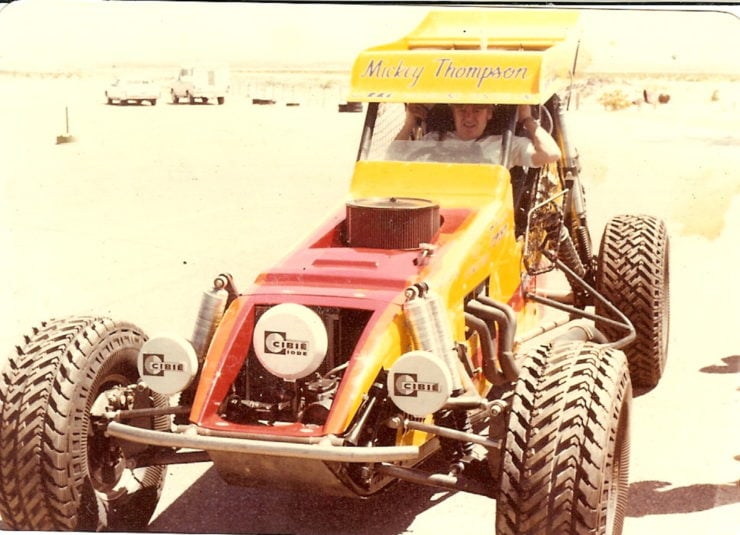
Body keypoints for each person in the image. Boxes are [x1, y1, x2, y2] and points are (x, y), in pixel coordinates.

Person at [394, 103, 561, 168]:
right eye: (461, 110)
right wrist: (409, 122)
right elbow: (392, 157)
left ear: (488, 114)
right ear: (453, 113)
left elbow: (550, 154)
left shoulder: (506, 144)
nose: (468, 117)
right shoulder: (435, 139)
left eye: (477, 111)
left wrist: (527, 119)